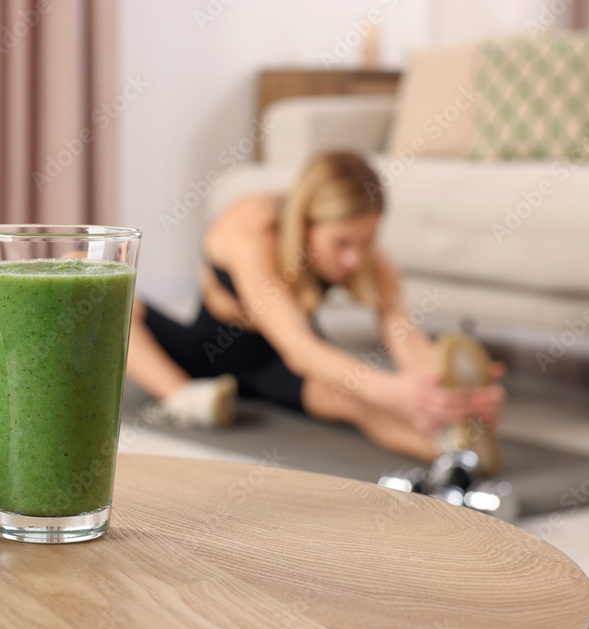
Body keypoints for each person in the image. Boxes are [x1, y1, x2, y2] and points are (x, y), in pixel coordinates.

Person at [126, 151, 505, 467]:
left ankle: (455, 450)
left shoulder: (368, 258)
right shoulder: (252, 227)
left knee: (358, 402)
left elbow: (404, 337)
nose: (355, 258)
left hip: (281, 363)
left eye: (367, 240)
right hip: (210, 351)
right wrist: (393, 390)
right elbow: (299, 346)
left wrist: (452, 391)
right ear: (306, 223)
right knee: (116, 308)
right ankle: (185, 397)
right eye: (341, 243)